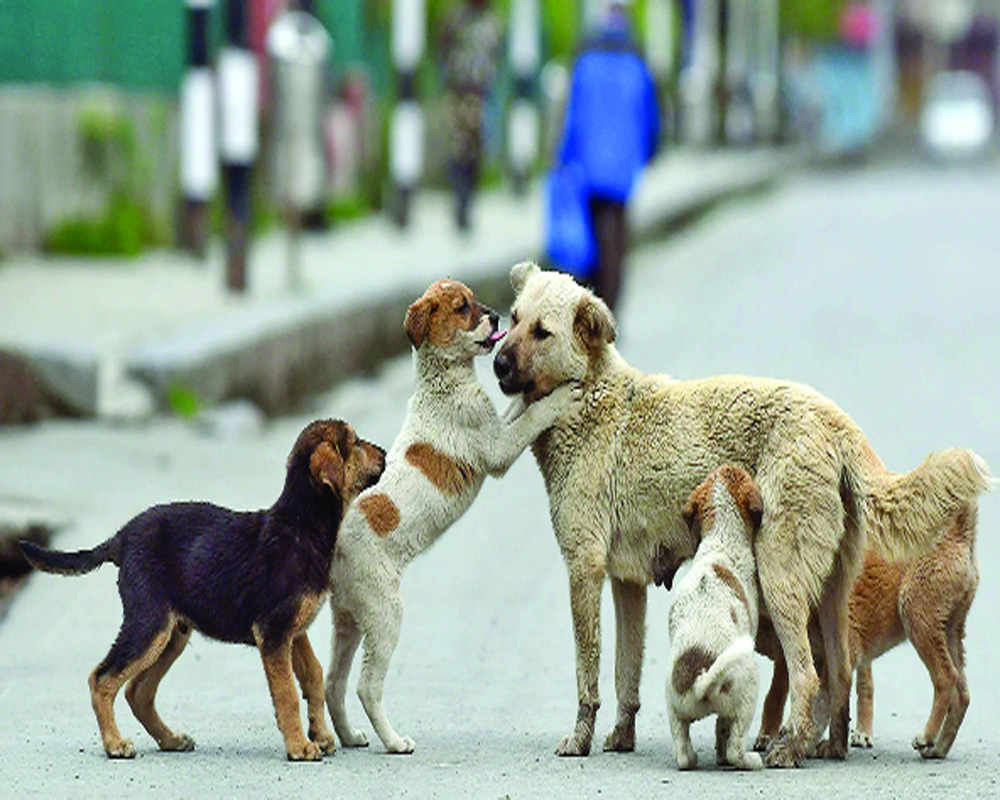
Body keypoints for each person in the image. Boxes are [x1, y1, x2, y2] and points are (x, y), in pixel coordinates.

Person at [556, 0, 659, 311]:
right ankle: (609, 310)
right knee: (616, 236)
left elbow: (572, 115)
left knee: (592, 234)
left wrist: (563, 156)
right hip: (624, 163)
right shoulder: (637, 59)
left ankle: (590, 305)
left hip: (588, 161)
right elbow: (650, 115)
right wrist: (649, 152)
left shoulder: (585, 56)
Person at [438, 0, 503, 232]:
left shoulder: (492, 22)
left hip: (480, 93)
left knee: (475, 150)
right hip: (458, 91)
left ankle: (467, 202)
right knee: (458, 148)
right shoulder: (455, 17)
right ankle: (460, 200)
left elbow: (497, 53)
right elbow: (442, 47)